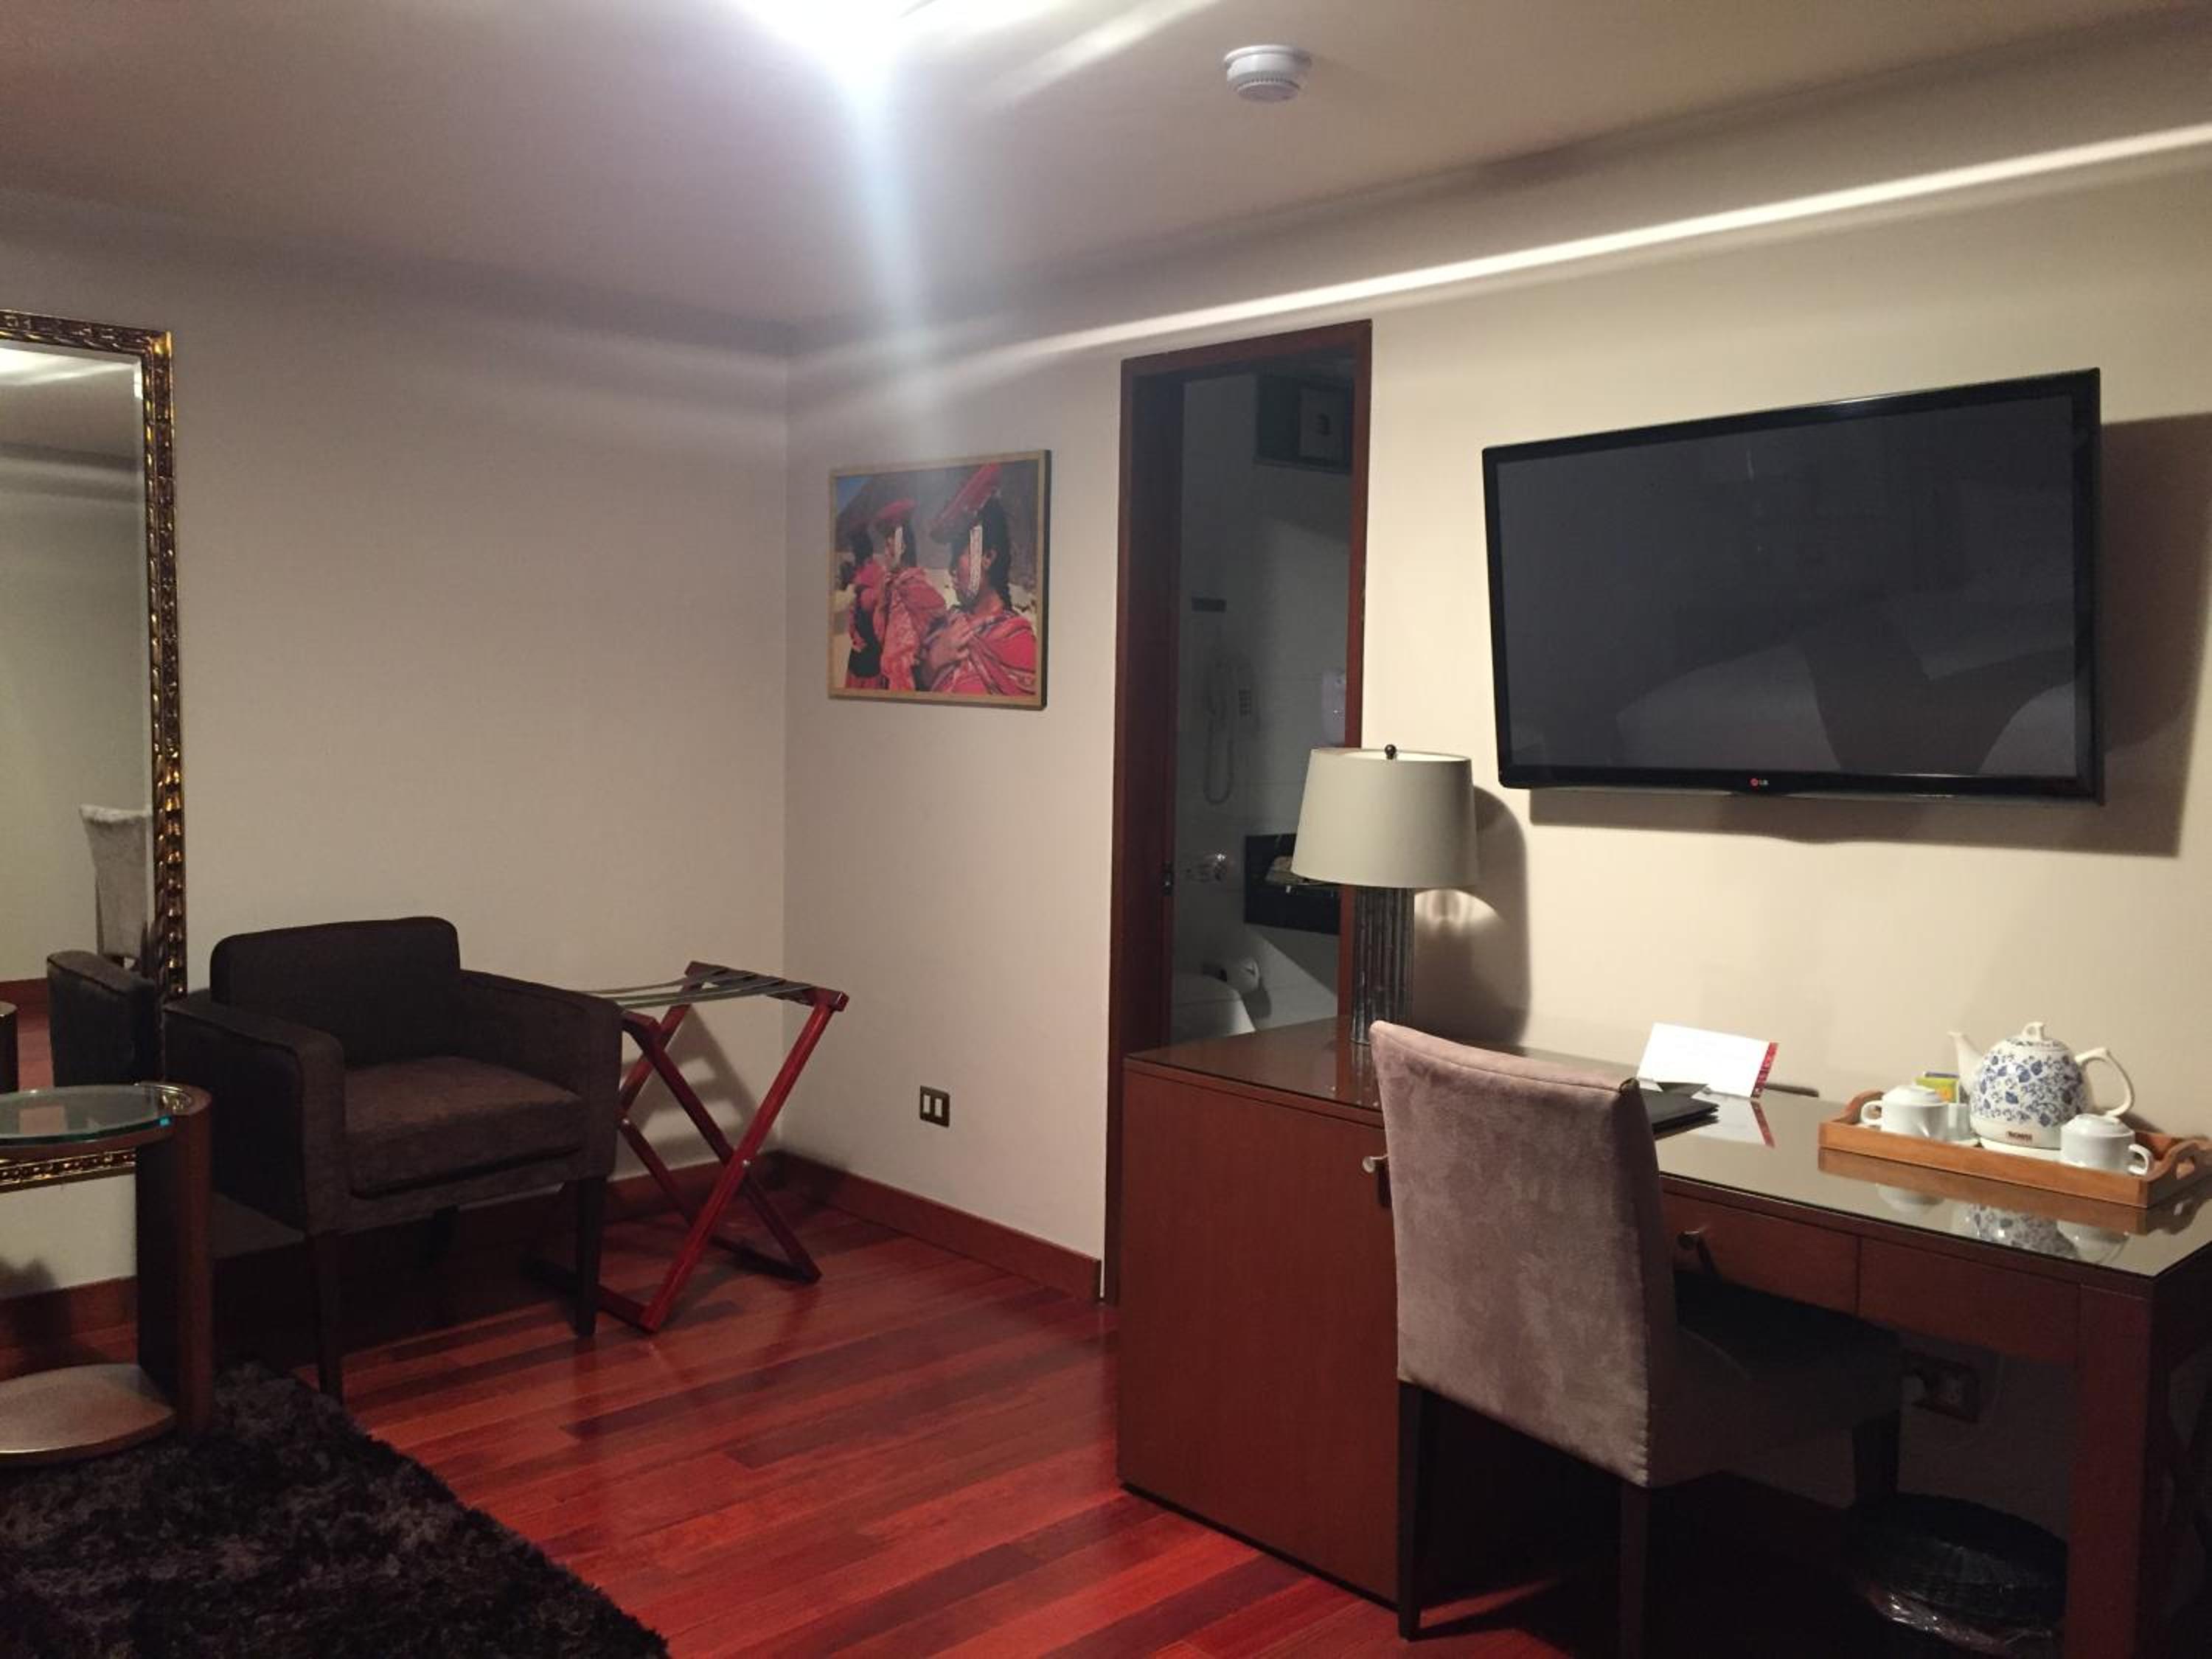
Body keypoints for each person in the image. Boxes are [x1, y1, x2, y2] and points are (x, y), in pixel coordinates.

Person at [922, 493, 1037, 699]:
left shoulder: (1020, 643)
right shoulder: (946, 625)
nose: (951, 569)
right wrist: (933, 662)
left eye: (958, 554)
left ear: (987, 558)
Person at [869, 497, 946, 692]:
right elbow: (881, 635)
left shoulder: (916, 588)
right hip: (889, 679)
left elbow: (938, 619)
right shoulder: (891, 587)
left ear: (901, 548)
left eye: (888, 548)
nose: (885, 555)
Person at [839, 525, 887, 689]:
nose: (853, 552)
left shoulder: (877, 574)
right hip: (862, 644)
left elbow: (874, 607)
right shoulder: (869, 572)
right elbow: (854, 609)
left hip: (871, 643)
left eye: (854, 548)